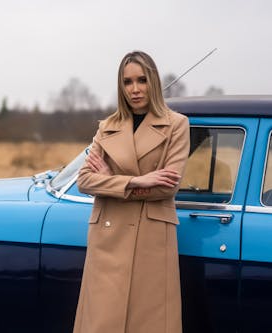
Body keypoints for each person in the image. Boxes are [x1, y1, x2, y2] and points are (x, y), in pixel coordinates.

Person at [73, 51, 190, 333]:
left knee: (148, 322)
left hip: (152, 238)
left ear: (153, 82)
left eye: (141, 80)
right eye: (127, 82)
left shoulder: (176, 125)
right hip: (108, 239)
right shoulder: (107, 127)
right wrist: (138, 181)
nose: (135, 89)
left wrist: (111, 180)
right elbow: (85, 180)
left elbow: (167, 185)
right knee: (102, 322)